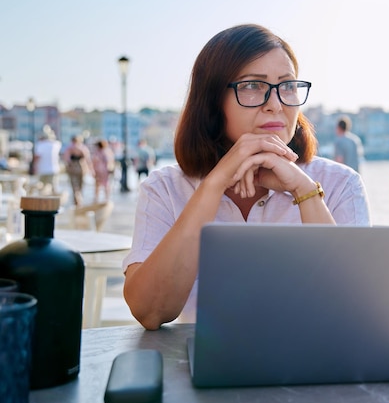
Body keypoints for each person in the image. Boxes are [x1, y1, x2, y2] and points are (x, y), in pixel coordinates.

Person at [122, 24, 371, 330]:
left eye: (288, 86)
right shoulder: (165, 189)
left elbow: (355, 309)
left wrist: (304, 190)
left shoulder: (339, 184)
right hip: (198, 369)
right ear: (213, 102)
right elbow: (150, 312)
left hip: (312, 369)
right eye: (253, 85)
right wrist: (214, 185)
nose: (275, 104)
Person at [63, 135, 93, 206]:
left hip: (72, 167)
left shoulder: (69, 148)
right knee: (81, 183)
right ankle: (79, 197)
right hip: (81, 166)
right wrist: (90, 169)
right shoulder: (82, 147)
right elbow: (87, 159)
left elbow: (66, 158)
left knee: (74, 184)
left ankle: (76, 197)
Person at [33, 129, 62, 194]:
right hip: (54, 169)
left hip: (42, 169)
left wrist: (34, 167)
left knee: (41, 189)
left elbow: (37, 157)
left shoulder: (40, 145)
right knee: (53, 189)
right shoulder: (56, 144)